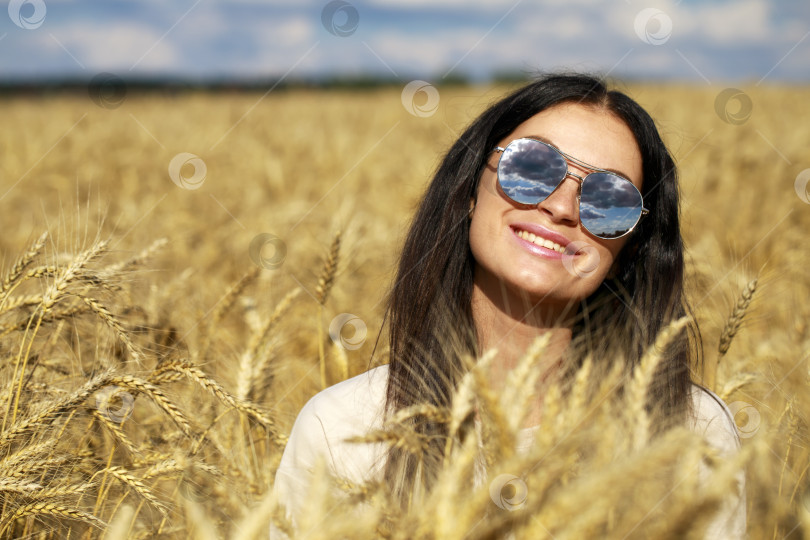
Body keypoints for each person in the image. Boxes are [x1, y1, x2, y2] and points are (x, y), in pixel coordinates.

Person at [269, 72, 746, 539]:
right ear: (470, 190)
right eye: (531, 168)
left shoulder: (692, 434)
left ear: (630, 252)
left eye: (609, 198)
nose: (561, 207)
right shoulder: (342, 429)